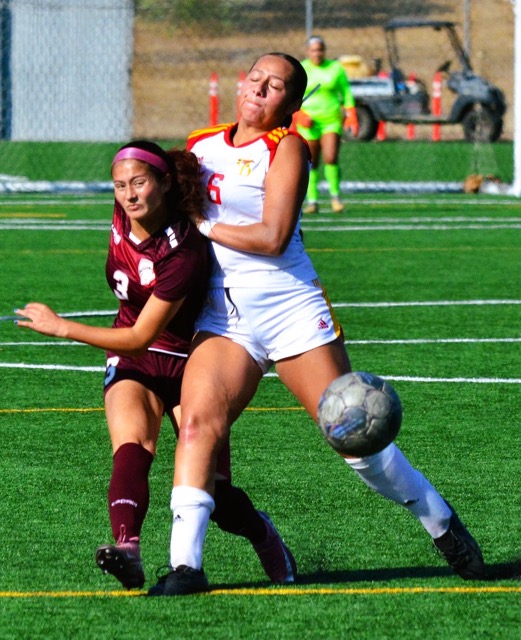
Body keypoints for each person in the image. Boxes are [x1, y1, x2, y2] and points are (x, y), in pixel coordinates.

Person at [147, 52, 486, 597]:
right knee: (196, 428)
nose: (259, 89)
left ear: (291, 103)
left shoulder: (287, 150)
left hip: (291, 311)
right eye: (255, 77)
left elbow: (272, 238)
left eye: (275, 85)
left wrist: (201, 223)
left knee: (353, 439)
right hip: (224, 317)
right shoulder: (200, 144)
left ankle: (439, 521)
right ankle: (185, 567)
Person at [14, 140, 297, 590]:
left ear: (164, 184)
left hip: (192, 361)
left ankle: (264, 535)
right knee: (132, 447)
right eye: (120, 185)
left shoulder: (182, 250)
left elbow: (141, 335)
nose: (128, 195)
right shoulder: (121, 211)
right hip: (134, 360)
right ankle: (127, 548)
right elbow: (133, 343)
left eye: (140, 183)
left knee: (218, 496)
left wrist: (62, 327)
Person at [294, 35, 358, 214]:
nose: (317, 53)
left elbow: (346, 93)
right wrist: (299, 114)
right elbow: (292, 95)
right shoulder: (302, 69)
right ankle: (312, 201)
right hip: (309, 123)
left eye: (320, 49)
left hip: (331, 120)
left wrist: (351, 114)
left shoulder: (335, 68)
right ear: (308, 51)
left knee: (330, 157)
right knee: (311, 162)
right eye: (313, 50)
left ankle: (335, 197)